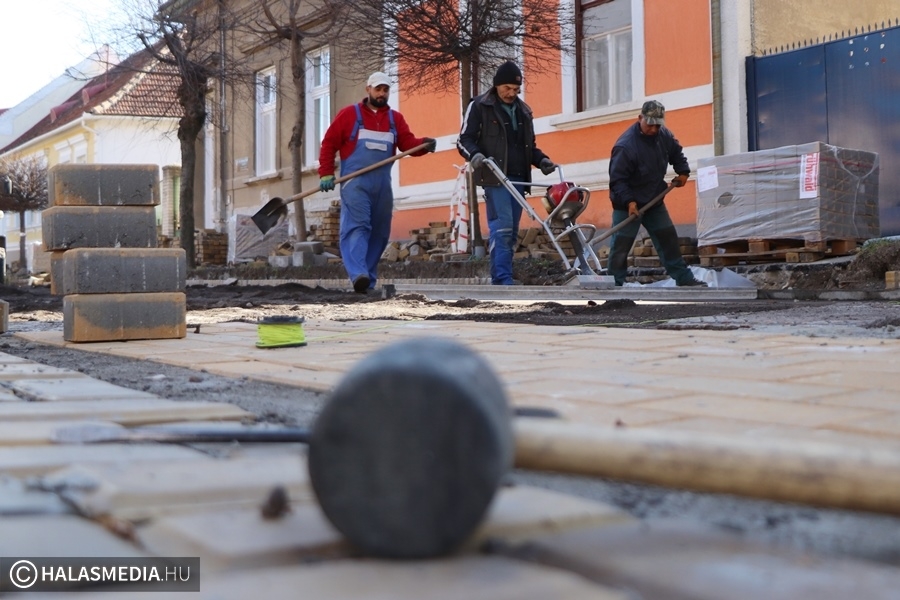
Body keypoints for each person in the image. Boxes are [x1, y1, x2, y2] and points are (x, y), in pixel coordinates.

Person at [318, 71, 436, 293]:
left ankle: (367, 280)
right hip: (355, 183)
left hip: (382, 184)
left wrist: (423, 145)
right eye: (378, 89)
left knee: (380, 232)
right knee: (358, 226)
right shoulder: (349, 115)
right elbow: (329, 143)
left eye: (385, 90)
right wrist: (325, 173)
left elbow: (407, 143)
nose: (382, 93)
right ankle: (358, 273)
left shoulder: (395, 119)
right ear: (368, 89)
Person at [457, 61, 557, 285]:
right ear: (497, 86)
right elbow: (463, 140)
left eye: (516, 90)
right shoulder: (480, 106)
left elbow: (528, 147)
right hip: (496, 176)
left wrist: (542, 160)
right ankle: (502, 279)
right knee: (501, 228)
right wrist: (475, 155)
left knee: (511, 232)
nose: (511, 94)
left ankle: (504, 276)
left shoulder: (524, 111)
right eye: (507, 89)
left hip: (519, 179)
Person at [607, 100, 706, 287]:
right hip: (627, 204)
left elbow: (676, 152)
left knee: (667, 238)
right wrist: (629, 202)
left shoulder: (664, 135)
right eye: (650, 124)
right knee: (621, 245)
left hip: (654, 199)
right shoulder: (626, 146)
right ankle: (614, 283)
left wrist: (683, 171)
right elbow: (617, 180)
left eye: (657, 124)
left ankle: (684, 278)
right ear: (640, 118)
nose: (653, 129)